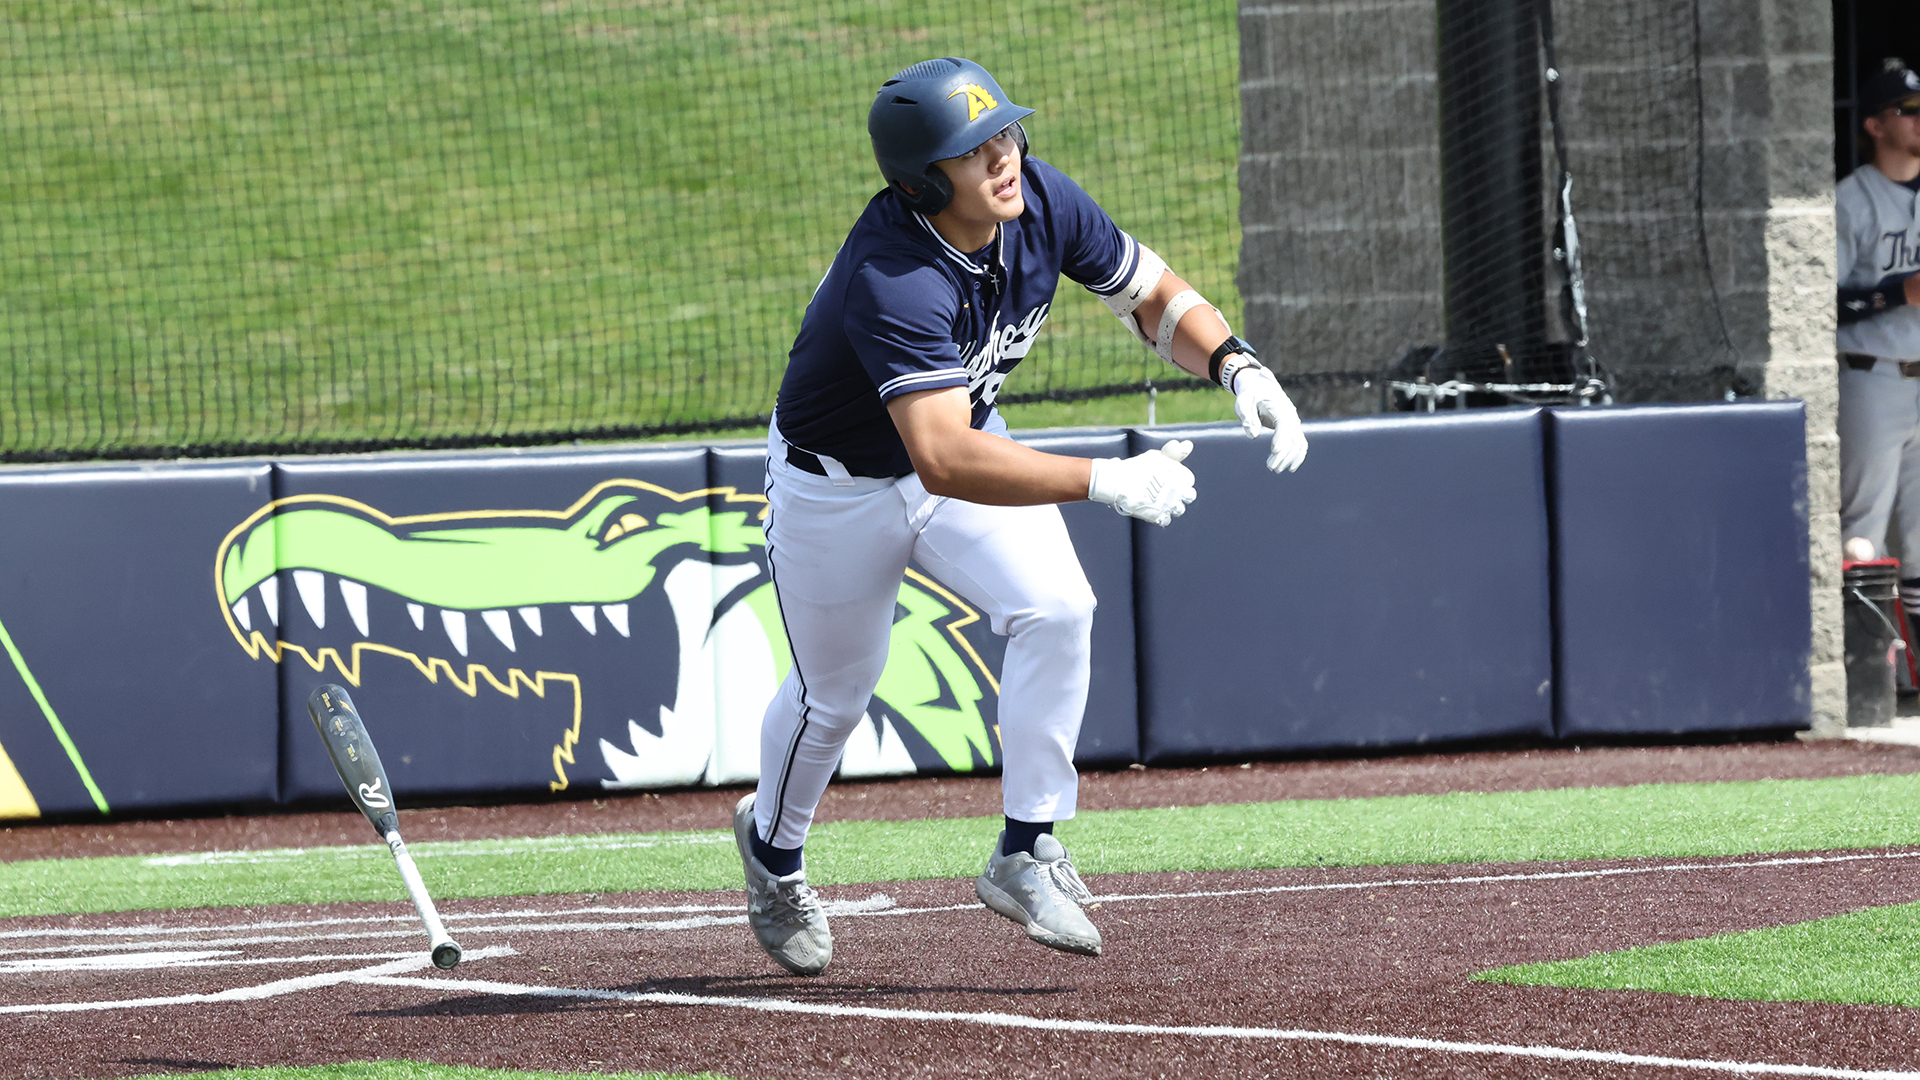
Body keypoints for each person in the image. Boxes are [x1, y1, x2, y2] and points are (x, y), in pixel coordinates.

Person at [732, 57, 1307, 976]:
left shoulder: (1040, 198)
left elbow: (1149, 293)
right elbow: (943, 456)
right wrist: (1103, 480)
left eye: (1005, 132)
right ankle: (773, 851)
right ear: (922, 181)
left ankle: (1026, 848)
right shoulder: (894, 271)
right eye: (973, 150)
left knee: (1059, 607)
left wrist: (1237, 364)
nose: (1004, 156)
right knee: (834, 697)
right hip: (838, 487)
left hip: (957, 443)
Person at [1838, 58, 1920, 623]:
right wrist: (1897, 294)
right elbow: (1821, 305)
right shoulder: (1851, 199)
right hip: (1873, 375)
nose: (1919, 120)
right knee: (1863, 530)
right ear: (1875, 125)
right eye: (1908, 110)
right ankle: (1867, 660)